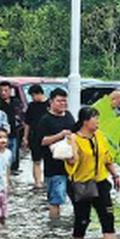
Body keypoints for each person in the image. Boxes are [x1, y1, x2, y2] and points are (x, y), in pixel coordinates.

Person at [65, 106, 120, 239]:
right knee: (82, 221)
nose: (97, 122)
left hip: (101, 182)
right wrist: (72, 143)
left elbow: (107, 158)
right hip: (81, 184)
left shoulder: (99, 136)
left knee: (108, 217)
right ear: (85, 121)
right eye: (95, 118)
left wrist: (115, 175)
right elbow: (72, 162)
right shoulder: (73, 139)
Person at [32, 89, 75, 218]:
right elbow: (42, 141)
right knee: (55, 200)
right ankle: (54, 226)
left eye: (64, 101)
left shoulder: (68, 116)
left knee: (77, 199)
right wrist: (60, 135)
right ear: (51, 102)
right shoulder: (45, 120)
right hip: (53, 167)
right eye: (59, 101)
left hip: (71, 166)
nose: (62, 104)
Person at [93, 89, 120, 168]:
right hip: (102, 156)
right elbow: (114, 147)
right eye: (119, 103)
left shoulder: (101, 107)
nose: (119, 106)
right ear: (113, 99)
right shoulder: (114, 121)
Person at [23, 84, 49, 186]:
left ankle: (47, 181)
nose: (32, 98)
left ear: (39, 94)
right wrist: (25, 137)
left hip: (48, 137)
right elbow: (27, 123)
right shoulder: (31, 106)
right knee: (36, 160)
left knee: (48, 161)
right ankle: (37, 182)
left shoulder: (49, 104)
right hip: (34, 137)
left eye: (33, 95)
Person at [0, 81, 24, 174]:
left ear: (10, 91)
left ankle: (13, 169)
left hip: (14, 132)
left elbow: (21, 115)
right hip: (0, 133)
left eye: (6, 90)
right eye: (1, 90)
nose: (3, 93)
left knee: (13, 152)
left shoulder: (16, 102)